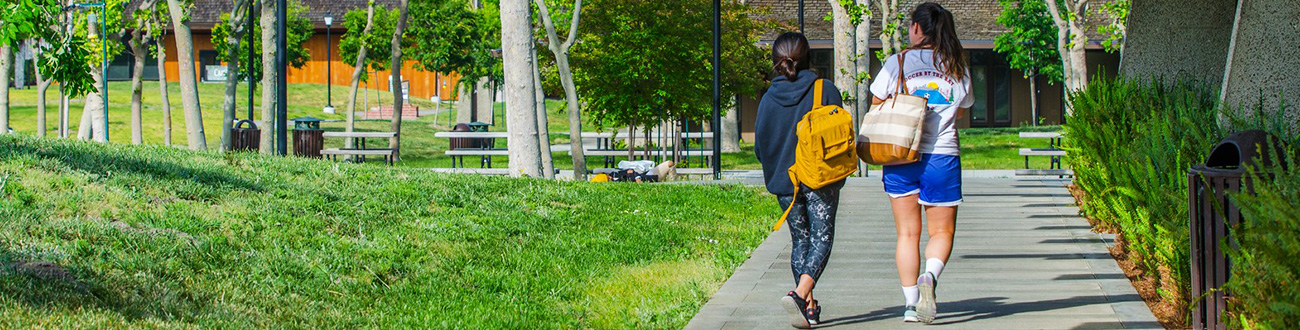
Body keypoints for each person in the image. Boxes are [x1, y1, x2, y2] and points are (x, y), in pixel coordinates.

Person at [867, 2, 973, 324]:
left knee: (907, 234)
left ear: (916, 28)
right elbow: (964, 109)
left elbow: (876, 102)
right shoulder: (956, 66)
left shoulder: (897, 62)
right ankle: (930, 275)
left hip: (900, 155)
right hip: (942, 155)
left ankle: (911, 305)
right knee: (941, 230)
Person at [754, 32, 846, 329]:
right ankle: (799, 295)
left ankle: (808, 307)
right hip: (820, 178)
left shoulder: (768, 98)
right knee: (822, 238)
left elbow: (759, 148)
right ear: (809, 58)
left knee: (801, 241)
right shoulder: (824, 89)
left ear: (775, 62)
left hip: (785, 182)